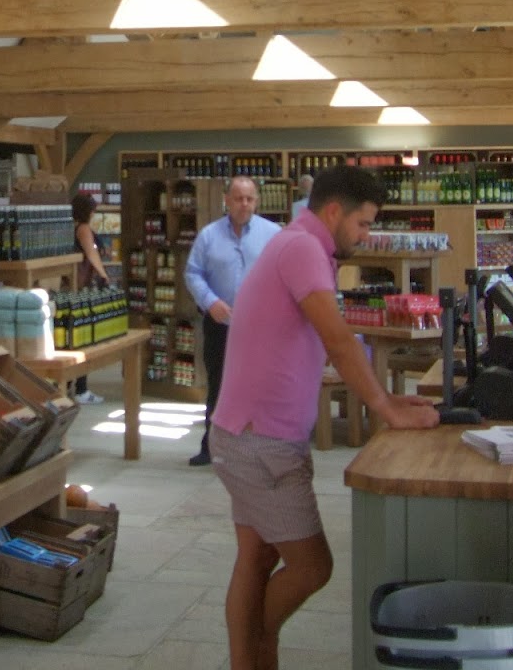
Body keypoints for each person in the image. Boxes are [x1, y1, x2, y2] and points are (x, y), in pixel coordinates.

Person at [212, 167, 438, 670]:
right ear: (333, 212)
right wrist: (385, 408)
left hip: (248, 433)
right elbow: (336, 337)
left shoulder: (301, 246)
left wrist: (387, 399)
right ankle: (257, 644)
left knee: (257, 556)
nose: (366, 236)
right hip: (260, 440)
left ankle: (249, 657)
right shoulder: (302, 250)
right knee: (313, 567)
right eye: (362, 224)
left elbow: (334, 338)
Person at [185, 176, 282, 467]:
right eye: (238, 198)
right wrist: (209, 301)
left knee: (260, 387)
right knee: (218, 384)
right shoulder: (209, 236)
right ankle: (211, 446)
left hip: (260, 328)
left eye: (249, 199)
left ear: (257, 201)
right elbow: (192, 273)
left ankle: (259, 448)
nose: (244, 204)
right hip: (220, 325)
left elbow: (284, 274)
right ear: (226, 200)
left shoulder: (273, 234)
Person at [71, 192, 111, 404]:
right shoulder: (84, 229)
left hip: (72, 287)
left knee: (71, 340)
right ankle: (81, 389)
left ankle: (70, 385)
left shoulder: (72, 227)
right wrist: (104, 275)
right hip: (82, 288)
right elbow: (92, 252)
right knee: (83, 340)